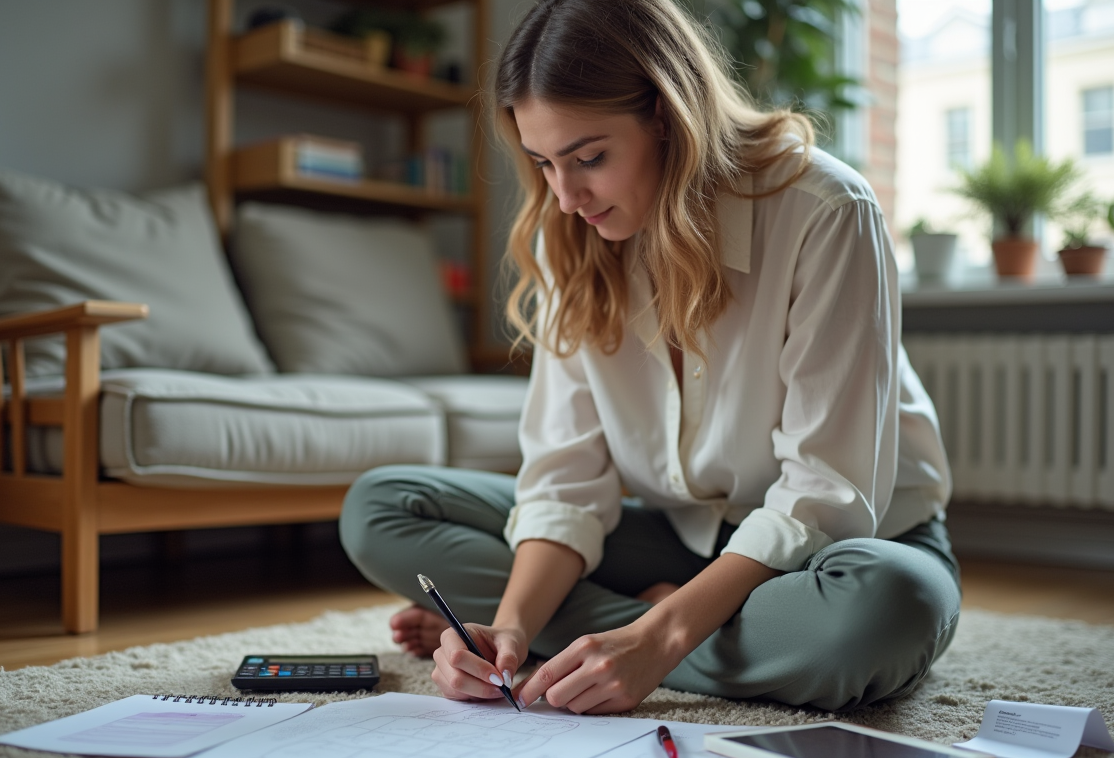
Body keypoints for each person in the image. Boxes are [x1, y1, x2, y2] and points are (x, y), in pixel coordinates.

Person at [340, 0, 958, 715]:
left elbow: (829, 493)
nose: (566, 197)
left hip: (843, 547)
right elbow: (566, 481)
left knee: (883, 611)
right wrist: (509, 629)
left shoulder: (826, 210)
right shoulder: (570, 235)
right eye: (543, 164)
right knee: (380, 508)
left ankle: (625, 632)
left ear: (668, 116)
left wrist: (660, 637)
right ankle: (642, 632)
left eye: (590, 158)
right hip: (676, 533)